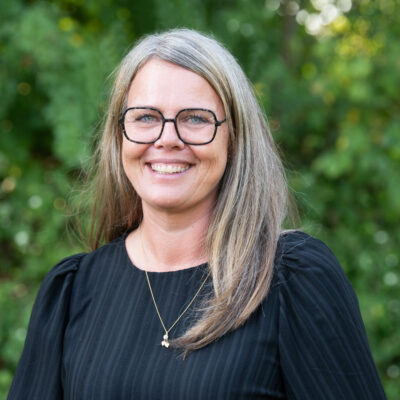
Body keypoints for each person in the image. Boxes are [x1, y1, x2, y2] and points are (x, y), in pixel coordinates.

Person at [8, 28, 386, 400]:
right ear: (119, 134)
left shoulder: (292, 279)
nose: (167, 138)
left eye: (195, 118)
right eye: (145, 117)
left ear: (234, 137)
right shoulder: (72, 291)